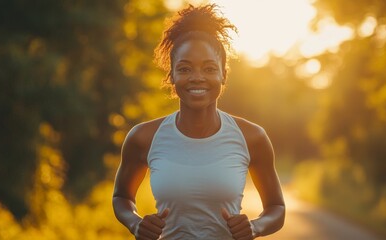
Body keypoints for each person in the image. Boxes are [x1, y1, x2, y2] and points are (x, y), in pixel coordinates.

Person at [112, 4, 285, 240]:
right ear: (171, 75)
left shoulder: (252, 137)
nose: (197, 78)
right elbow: (121, 197)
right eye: (184, 69)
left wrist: (255, 227)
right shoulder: (143, 137)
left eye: (209, 68)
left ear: (223, 74)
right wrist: (135, 223)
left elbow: (277, 208)